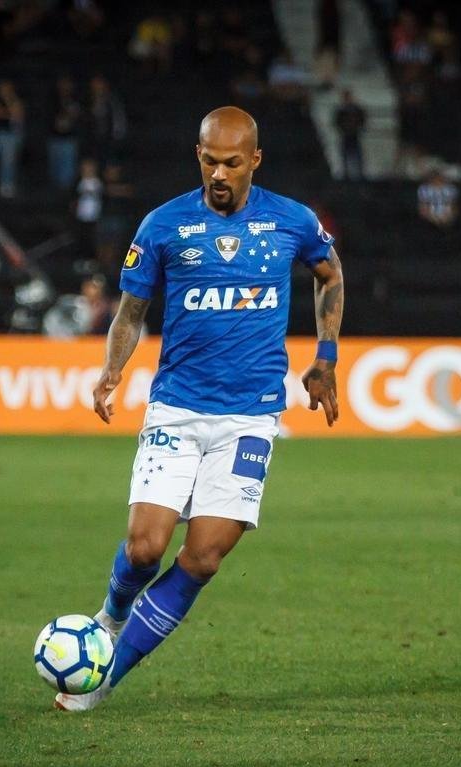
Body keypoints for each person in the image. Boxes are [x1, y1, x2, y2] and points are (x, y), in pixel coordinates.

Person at [55, 106, 344, 712]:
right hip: (176, 410)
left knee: (205, 556)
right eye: (210, 160)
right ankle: (110, 617)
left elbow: (329, 273)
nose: (219, 172)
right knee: (143, 549)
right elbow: (131, 312)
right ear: (198, 155)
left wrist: (325, 358)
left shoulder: (292, 221)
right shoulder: (162, 226)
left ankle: (103, 680)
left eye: (232, 163)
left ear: (254, 162)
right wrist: (112, 369)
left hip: (250, 417)